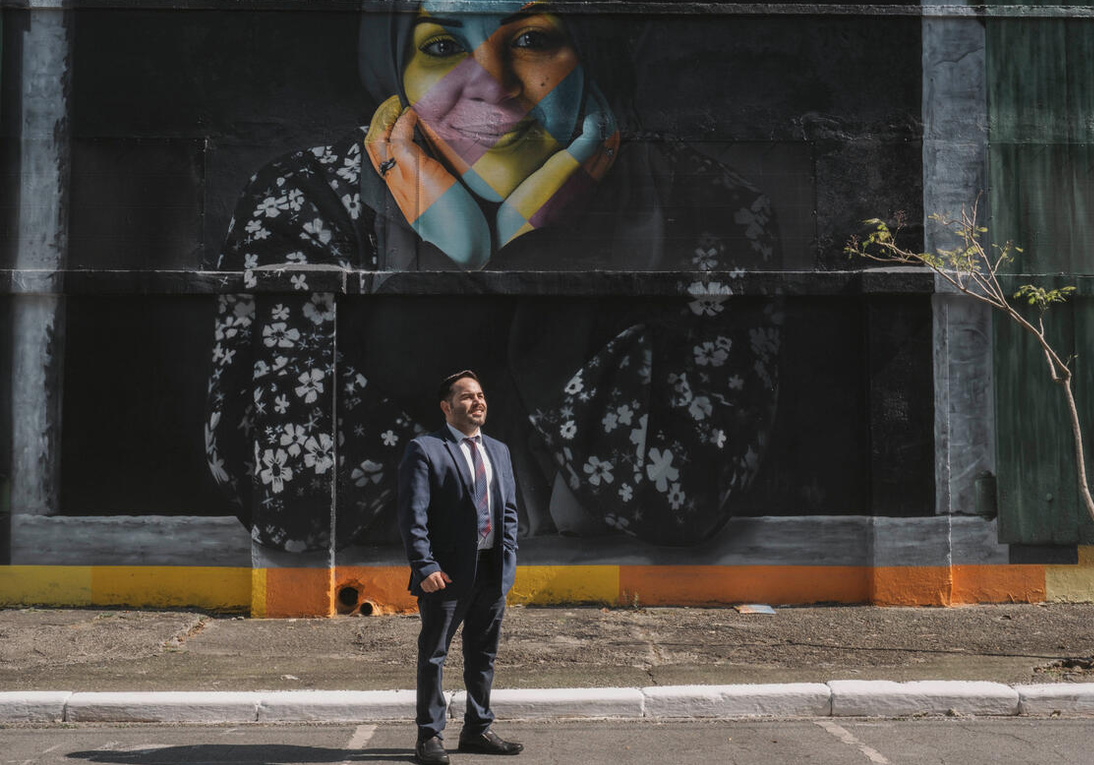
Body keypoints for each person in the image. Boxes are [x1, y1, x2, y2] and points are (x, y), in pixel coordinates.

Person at [205, 0, 783, 555]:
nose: (492, 84)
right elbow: (292, 504)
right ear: (394, 71)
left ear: (591, 53)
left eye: (532, 39)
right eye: (442, 45)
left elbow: (685, 501)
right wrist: (459, 266)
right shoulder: (302, 202)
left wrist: (537, 250)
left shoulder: (711, 206)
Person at [399, 370, 521, 764]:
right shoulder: (426, 449)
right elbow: (412, 516)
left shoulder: (498, 450)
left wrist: (508, 554)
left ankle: (477, 729)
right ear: (446, 406)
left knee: (483, 655)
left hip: (491, 570)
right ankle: (429, 736)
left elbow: (510, 512)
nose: (477, 402)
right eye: (467, 396)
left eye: (481, 395)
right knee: (434, 654)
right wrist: (424, 565)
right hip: (445, 575)